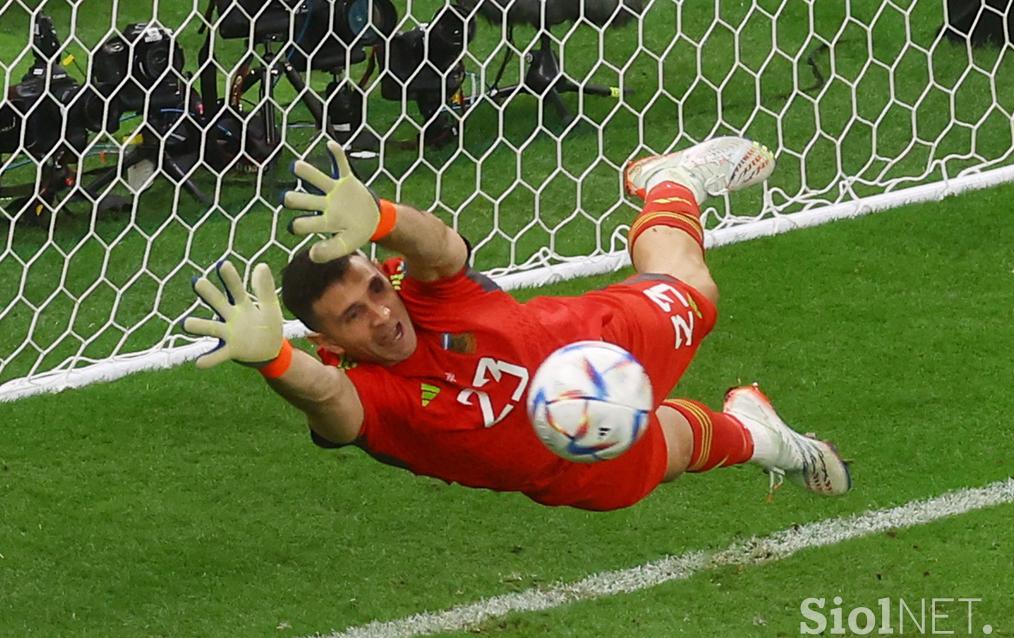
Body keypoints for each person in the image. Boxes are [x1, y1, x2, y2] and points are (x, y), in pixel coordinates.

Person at [182, 137, 851, 510]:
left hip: (592, 341)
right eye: (354, 316)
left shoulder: (425, 294)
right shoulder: (373, 399)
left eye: (374, 288)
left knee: (697, 293)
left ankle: (671, 181)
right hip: (571, 469)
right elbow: (326, 399)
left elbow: (440, 247)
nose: (382, 313)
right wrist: (272, 360)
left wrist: (385, 217)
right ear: (330, 343)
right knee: (665, 452)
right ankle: (766, 439)